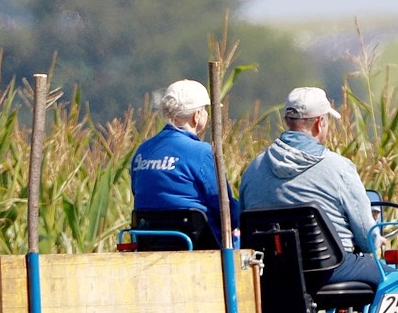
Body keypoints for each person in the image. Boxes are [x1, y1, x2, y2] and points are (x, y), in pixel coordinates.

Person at [239, 86, 382, 287]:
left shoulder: (253, 169)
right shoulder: (339, 167)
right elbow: (368, 241)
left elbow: (243, 225)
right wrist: (377, 241)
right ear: (319, 122)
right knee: (394, 277)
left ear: (287, 121)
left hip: (273, 275)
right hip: (331, 270)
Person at [130, 79, 239, 247]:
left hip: (149, 243)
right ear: (196, 116)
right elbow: (224, 207)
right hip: (198, 244)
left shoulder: (142, 150)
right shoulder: (202, 152)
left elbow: (138, 193)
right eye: (205, 110)